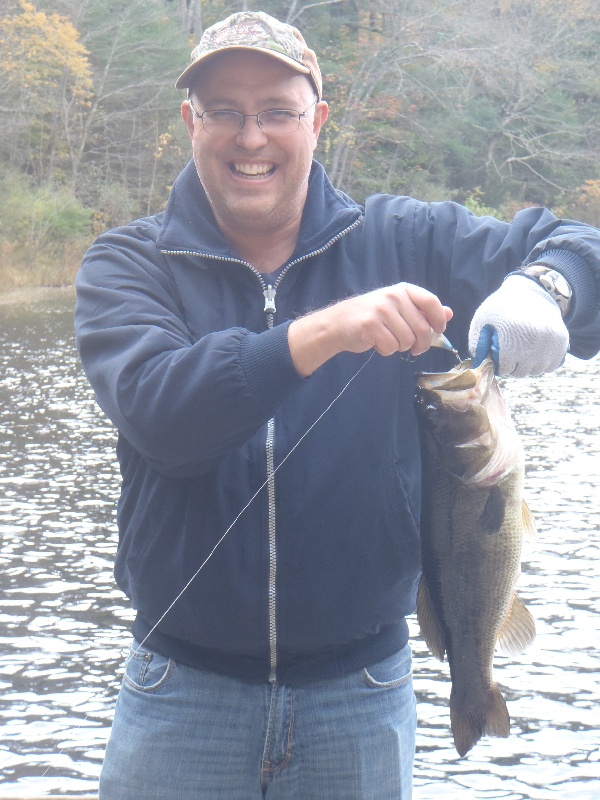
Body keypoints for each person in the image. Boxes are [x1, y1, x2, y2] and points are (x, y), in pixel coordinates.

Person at [74, 11, 600, 800]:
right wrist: (315, 335)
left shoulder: (406, 238)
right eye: (225, 112)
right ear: (191, 123)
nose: (252, 137)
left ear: (316, 121)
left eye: (278, 112)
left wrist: (545, 287)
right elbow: (163, 417)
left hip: (361, 695)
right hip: (180, 694)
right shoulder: (128, 264)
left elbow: (575, 244)